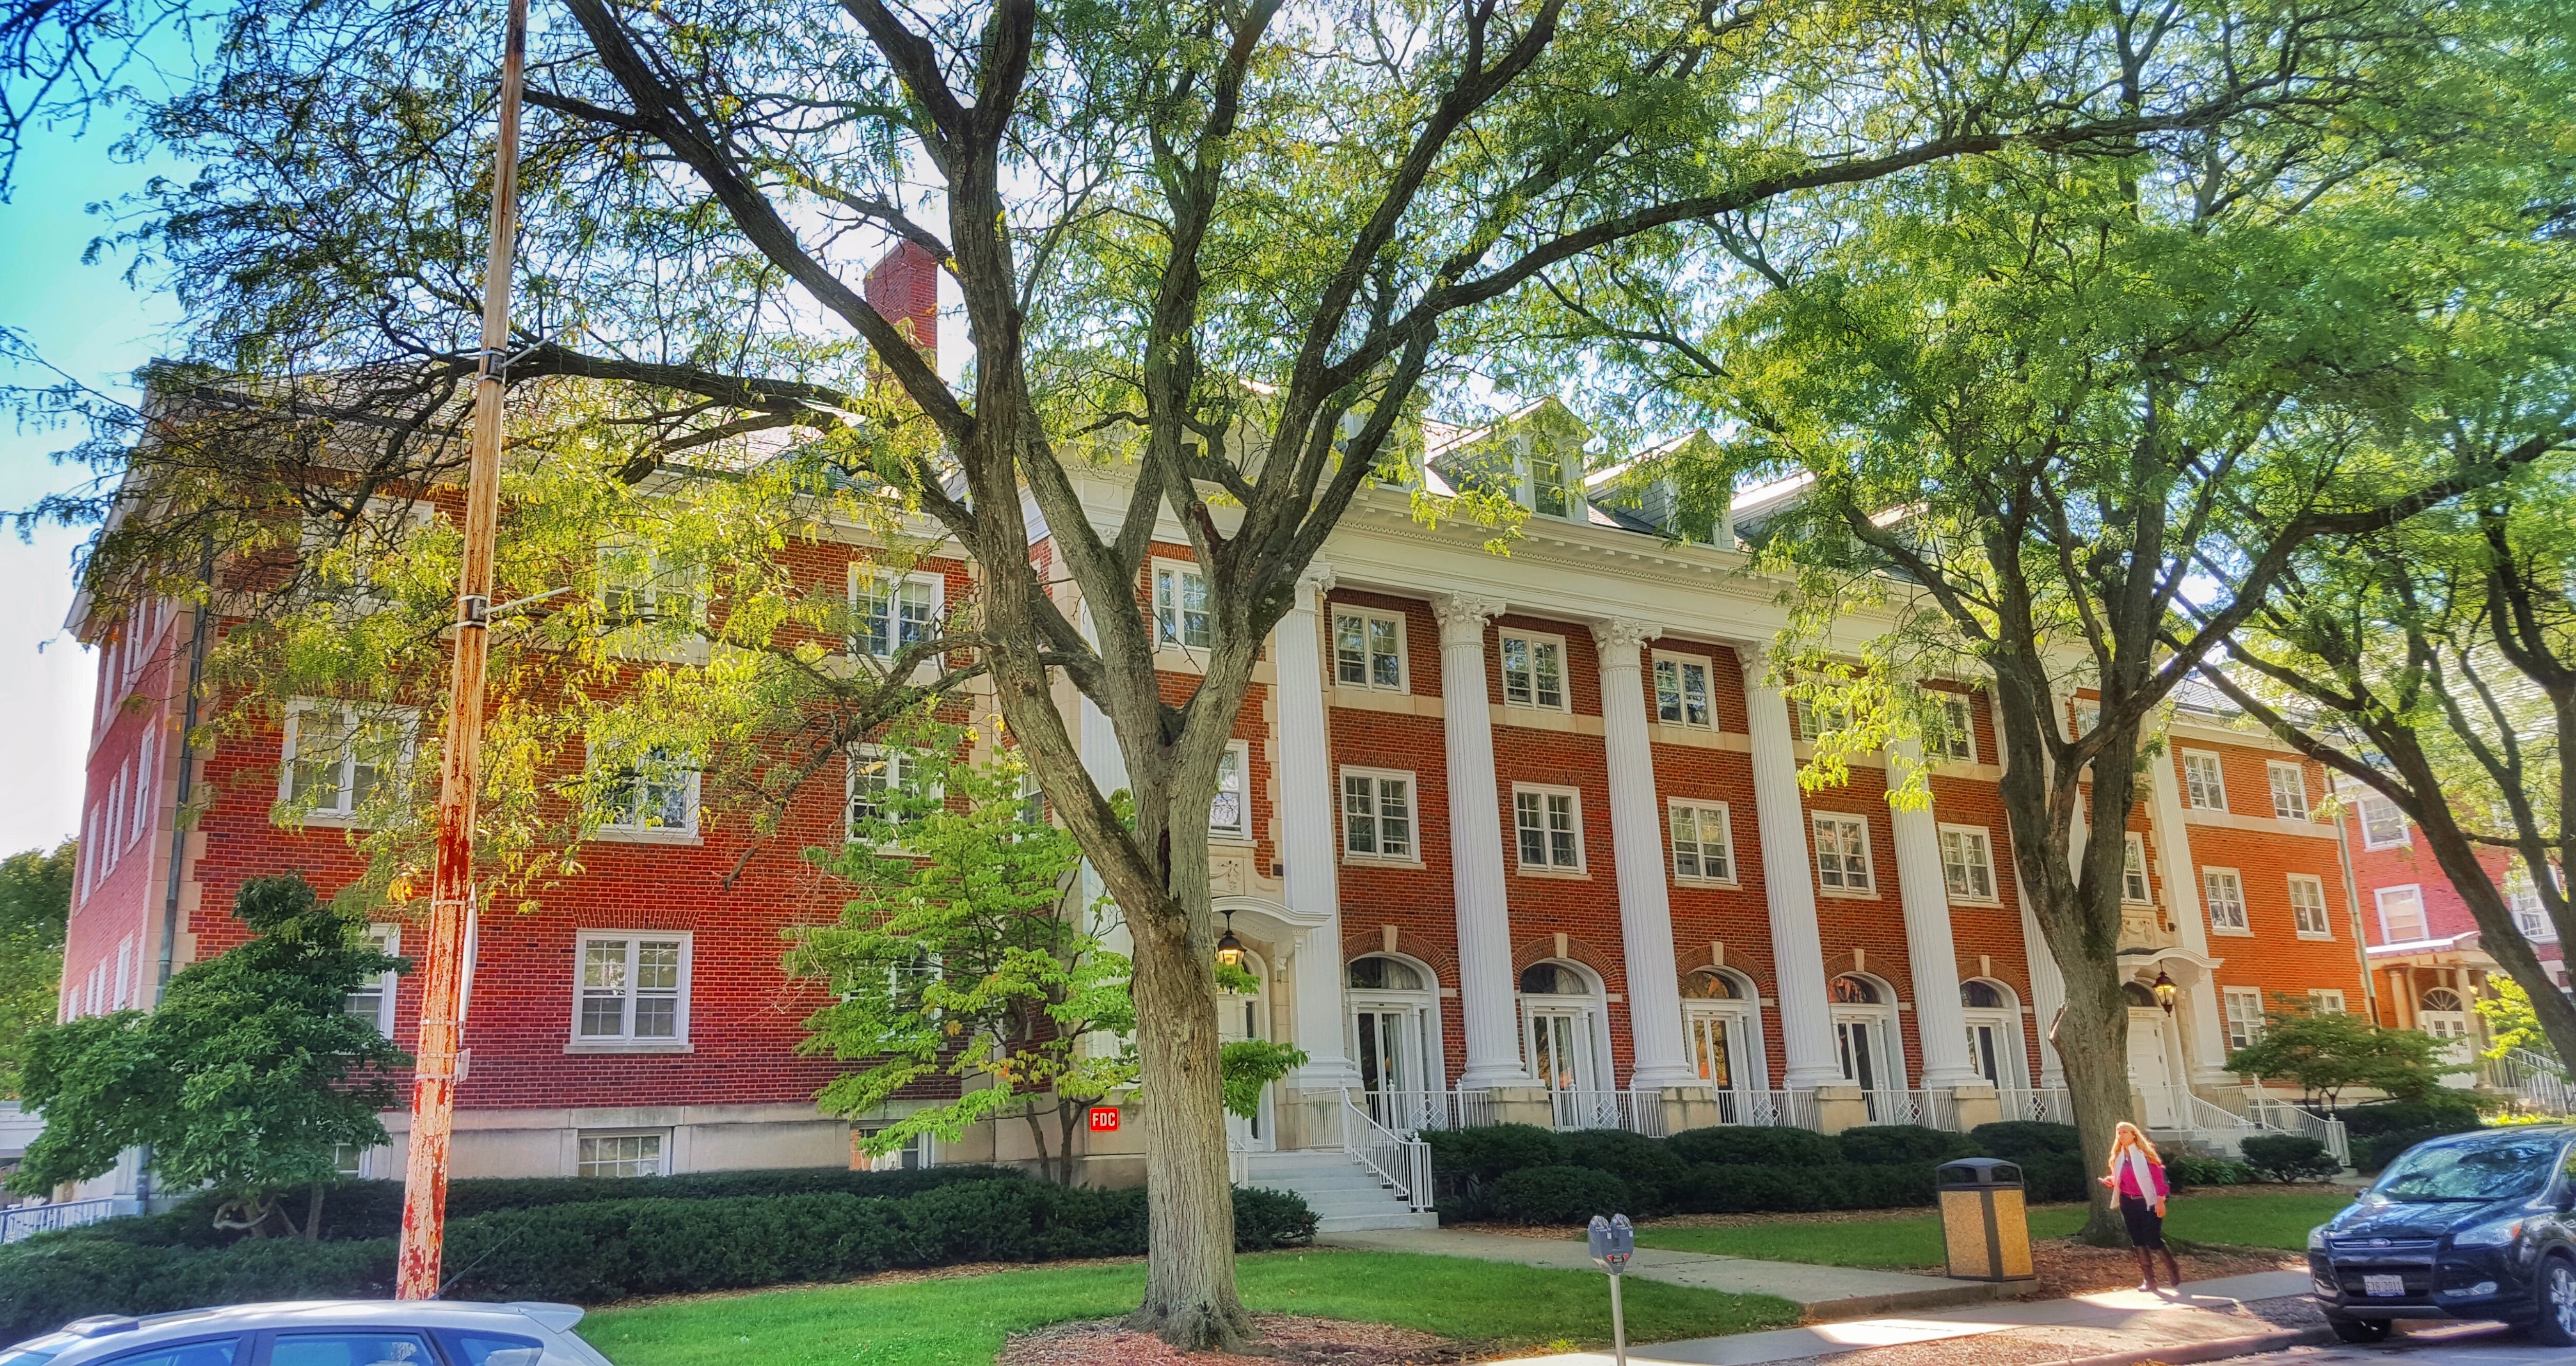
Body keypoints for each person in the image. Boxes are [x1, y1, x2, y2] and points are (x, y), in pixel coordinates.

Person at [2099, 1120, 2181, 1292]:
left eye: (2125, 1133)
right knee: (2138, 1240)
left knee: (2153, 1239)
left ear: (2134, 1135)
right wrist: (2111, 1181)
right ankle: (2149, 1280)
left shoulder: (2145, 1155)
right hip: (2128, 1202)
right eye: (2119, 1133)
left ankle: (2172, 1268)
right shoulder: (2119, 1157)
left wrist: (2160, 1201)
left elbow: (2159, 1179)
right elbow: (2119, 1178)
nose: (2121, 1136)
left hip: (2148, 1201)